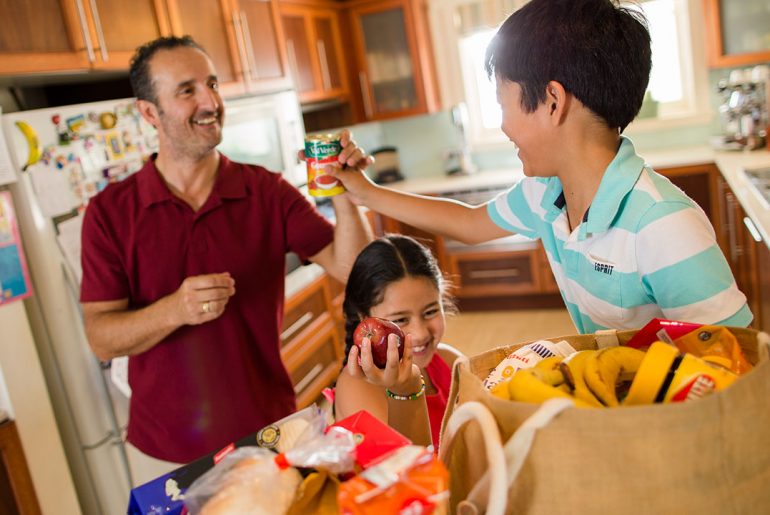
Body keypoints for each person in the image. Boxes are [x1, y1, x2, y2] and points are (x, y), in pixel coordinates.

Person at [330, 0, 752, 334]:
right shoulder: (546, 194)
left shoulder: (662, 224)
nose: (503, 125)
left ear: (552, 101)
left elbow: (734, 357)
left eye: (503, 104)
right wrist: (366, 192)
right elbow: (469, 224)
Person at [79, 36, 372, 475]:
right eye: (187, 90)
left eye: (212, 84)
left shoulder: (266, 191)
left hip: (268, 433)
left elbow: (354, 269)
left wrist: (346, 192)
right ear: (149, 113)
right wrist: (176, 309)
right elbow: (101, 336)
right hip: (166, 452)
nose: (210, 102)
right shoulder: (109, 212)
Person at [334, 235, 462, 448]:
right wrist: (406, 391)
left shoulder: (450, 362)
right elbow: (407, 464)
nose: (420, 334)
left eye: (430, 312)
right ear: (364, 318)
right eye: (400, 320)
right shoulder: (356, 386)